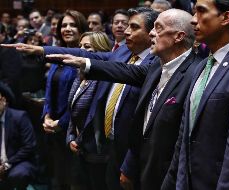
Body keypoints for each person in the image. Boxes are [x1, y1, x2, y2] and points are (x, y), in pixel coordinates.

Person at [1, 7, 159, 190]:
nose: (126, 31)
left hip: (132, 149)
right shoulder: (123, 52)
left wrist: (85, 63)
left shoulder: (155, 61)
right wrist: (41, 50)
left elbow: (122, 71)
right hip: (109, 146)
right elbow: (87, 55)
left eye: (133, 26)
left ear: (151, 32)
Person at [45, 8, 201, 190]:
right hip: (120, 154)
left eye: (157, 28)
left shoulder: (193, 72)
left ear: (179, 36)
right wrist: (44, 51)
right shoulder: (157, 67)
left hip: (163, 172)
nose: (152, 33)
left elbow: (181, 139)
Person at [161, 0, 229, 189]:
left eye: (201, 12)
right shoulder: (203, 65)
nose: (193, 21)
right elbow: (185, 134)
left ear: (226, 18)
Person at [41, 10, 88, 190]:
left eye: (73, 25)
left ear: (81, 28)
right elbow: (48, 89)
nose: (67, 29)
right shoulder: (57, 55)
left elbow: (81, 98)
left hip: (73, 130)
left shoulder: (86, 57)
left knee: (74, 181)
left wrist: (61, 122)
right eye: (64, 25)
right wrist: (46, 116)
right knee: (58, 177)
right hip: (53, 129)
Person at [67, 31, 112, 190]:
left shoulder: (104, 79)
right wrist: (70, 136)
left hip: (97, 151)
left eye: (87, 47)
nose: (81, 50)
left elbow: (95, 115)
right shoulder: (80, 74)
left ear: (101, 51)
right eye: (80, 46)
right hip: (80, 148)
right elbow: (73, 109)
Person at [0, 82, 36, 190]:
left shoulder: (19, 117)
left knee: (20, 174)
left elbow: (29, 146)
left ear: (4, 101)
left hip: (16, 162)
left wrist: (6, 165)